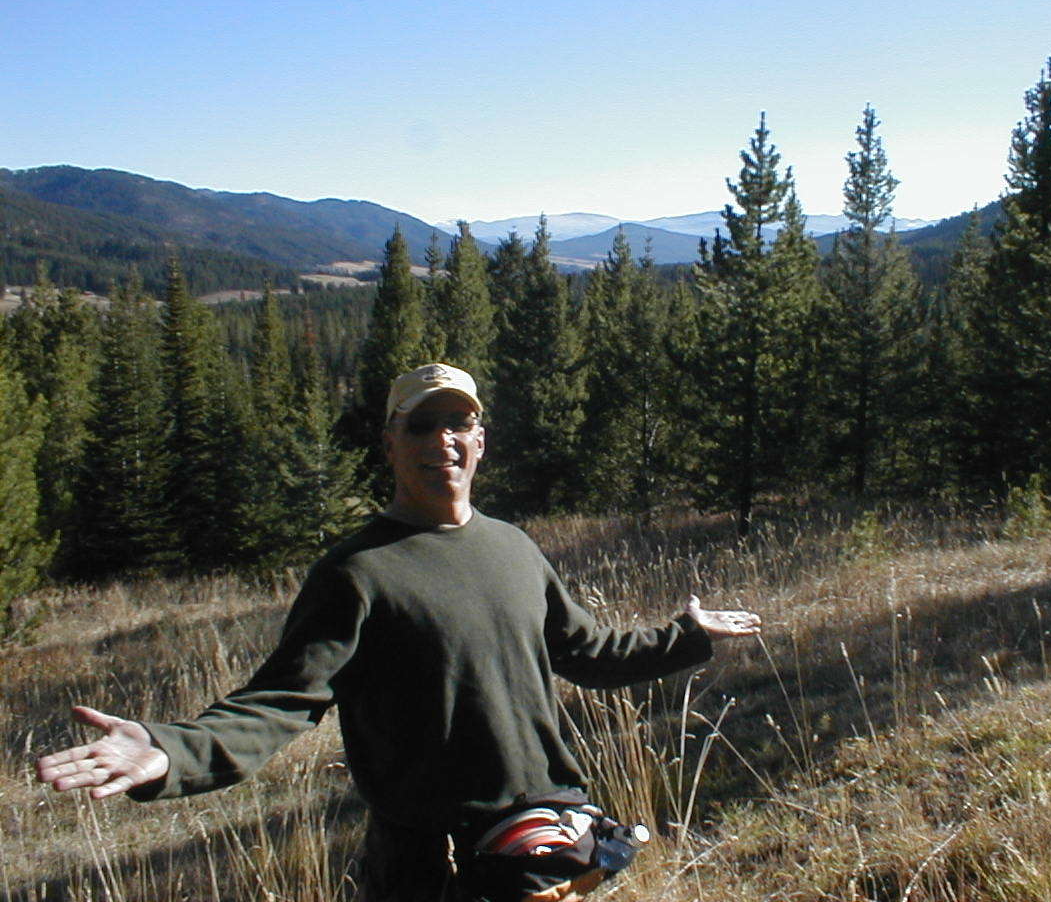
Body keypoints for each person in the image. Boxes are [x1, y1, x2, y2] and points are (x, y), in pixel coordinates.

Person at [36, 363, 762, 902]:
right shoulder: (356, 572)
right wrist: (169, 751)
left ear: (481, 440)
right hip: (428, 868)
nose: (442, 439)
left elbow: (585, 650)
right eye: (421, 425)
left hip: (545, 849)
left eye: (458, 424)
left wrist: (686, 635)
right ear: (390, 442)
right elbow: (280, 702)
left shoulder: (514, 548)